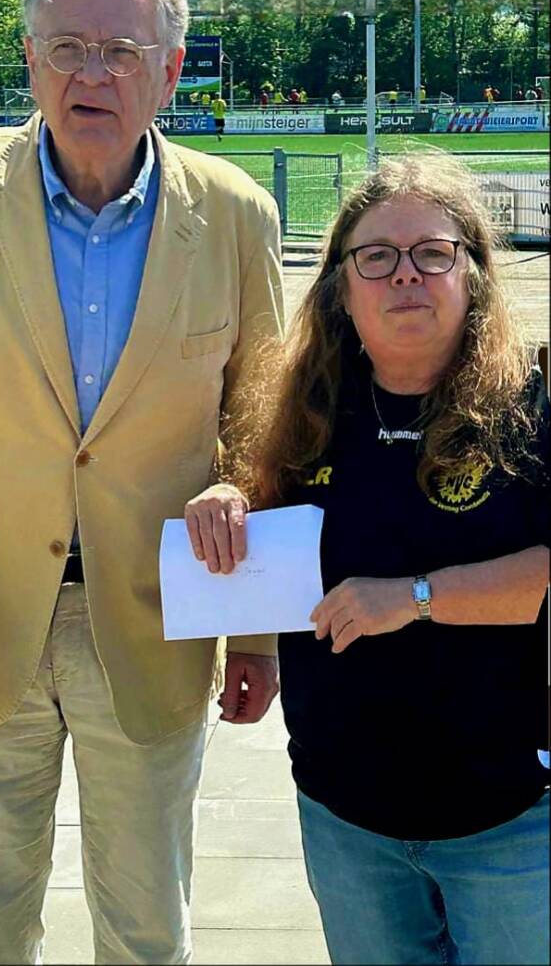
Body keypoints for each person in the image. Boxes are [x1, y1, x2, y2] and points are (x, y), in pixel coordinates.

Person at [0, 0, 283, 964]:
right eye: (67, 48)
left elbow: (264, 424)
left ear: (169, 70)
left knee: (145, 928)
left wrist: (258, 635)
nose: (93, 74)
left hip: (156, 621)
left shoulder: (235, 215)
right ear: (30, 61)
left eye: (121, 51)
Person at [184, 154, 549, 966]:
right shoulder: (301, 409)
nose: (405, 275)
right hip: (345, 812)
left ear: (473, 275)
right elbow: (257, 521)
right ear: (340, 289)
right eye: (376, 256)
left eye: (432, 252)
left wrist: (415, 596)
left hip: (510, 815)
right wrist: (224, 497)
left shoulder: (531, 403)